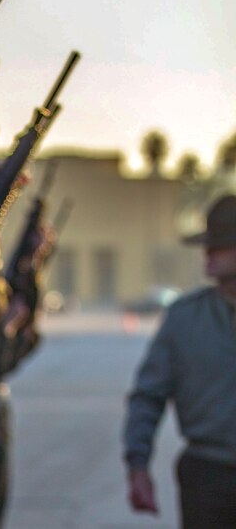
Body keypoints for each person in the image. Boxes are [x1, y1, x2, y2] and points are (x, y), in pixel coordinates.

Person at [123, 193, 236, 528]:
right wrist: (137, 465)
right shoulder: (185, 318)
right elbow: (148, 396)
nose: (206, 254)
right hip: (208, 476)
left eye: (219, 246)